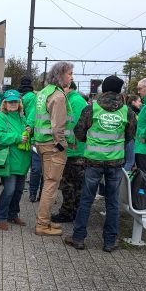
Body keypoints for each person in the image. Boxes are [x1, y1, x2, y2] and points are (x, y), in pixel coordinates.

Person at [64, 76, 136, 252]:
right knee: (112, 202)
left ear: (103, 89)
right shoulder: (128, 112)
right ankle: (110, 241)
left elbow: (79, 133)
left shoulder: (91, 109)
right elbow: (130, 136)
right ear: (120, 90)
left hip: (93, 162)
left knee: (86, 200)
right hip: (115, 163)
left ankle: (78, 238)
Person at [33, 61, 74, 236]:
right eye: (70, 74)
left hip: (43, 143)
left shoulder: (43, 92)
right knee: (51, 185)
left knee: (48, 182)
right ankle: (42, 224)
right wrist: (62, 144)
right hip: (53, 146)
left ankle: (45, 221)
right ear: (61, 75)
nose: (72, 77)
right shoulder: (57, 96)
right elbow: (58, 126)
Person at [0, 90, 31, 230]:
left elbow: (27, 137)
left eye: (15, 101)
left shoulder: (22, 118)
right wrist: (18, 137)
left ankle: (13, 214)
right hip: (9, 161)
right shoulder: (1, 117)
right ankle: (0, 217)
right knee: (9, 190)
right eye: (10, 101)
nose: (13, 104)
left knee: (19, 190)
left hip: (22, 161)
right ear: (5, 103)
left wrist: (28, 131)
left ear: (19, 103)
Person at [52, 81, 87, 223]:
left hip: (74, 150)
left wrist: (68, 142)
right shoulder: (74, 100)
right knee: (75, 184)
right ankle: (74, 212)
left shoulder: (74, 101)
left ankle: (68, 213)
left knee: (69, 184)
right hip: (76, 149)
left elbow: (75, 126)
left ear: (69, 88)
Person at [18, 76, 42, 202]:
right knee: (38, 169)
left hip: (27, 132)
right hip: (34, 135)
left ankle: (33, 193)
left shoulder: (20, 96)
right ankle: (37, 194)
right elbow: (33, 115)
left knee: (35, 168)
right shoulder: (33, 97)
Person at [123, 94, 142, 171]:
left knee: (128, 161)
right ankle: (123, 181)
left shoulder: (128, 110)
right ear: (133, 102)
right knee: (130, 162)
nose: (140, 103)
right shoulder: (131, 112)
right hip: (129, 139)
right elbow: (135, 126)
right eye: (139, 101)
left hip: (127, 138)